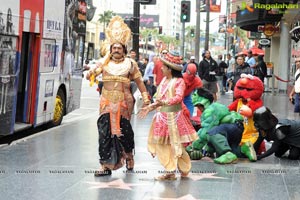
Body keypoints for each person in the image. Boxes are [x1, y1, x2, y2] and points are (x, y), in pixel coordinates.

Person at [86, 16, 150, 177]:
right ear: (110, 49)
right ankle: (105, 165)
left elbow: (140, 83)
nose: (116, 50)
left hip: (124, 103)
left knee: (125, 133)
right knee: (104, 133)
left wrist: (146, 98)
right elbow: (90, 76)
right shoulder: (104, 63)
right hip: (106, 102)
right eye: (113, 48)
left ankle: (129, 156)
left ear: (124, 49)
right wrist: (91, 73)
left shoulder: (131, 64)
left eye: (119, 48)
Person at [138, 51, 198, 180]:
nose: (161, 68)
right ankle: (170, 171)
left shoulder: (179, 81)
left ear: (170, 69)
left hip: (175, 118)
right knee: (162, 145)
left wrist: (163, 102)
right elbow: (160, 99)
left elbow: (178, 97)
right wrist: (150, 107)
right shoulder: (164, 80)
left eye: (164, 66)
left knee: (177, 145)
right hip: (162, 117)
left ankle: (184, 168)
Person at [187, 88, 257, 164]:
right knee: (231, 150)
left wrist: (194, 147)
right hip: (235, 128)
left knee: (211, 133)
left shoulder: (210, 110)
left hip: (231, 127)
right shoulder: (215, 106)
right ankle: (244, 149)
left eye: (198, 106)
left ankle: (227, 154)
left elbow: (206, 131)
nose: (199, 109)